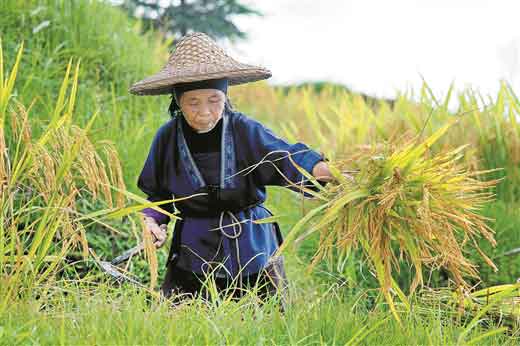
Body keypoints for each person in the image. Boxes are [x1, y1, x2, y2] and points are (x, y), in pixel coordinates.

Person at [129, 32, 334, 308]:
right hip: (195, 250)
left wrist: (325, 170)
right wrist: (152, 221)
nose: (204, 111)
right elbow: (158, 196)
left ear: (225, 96)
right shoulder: (166, 138)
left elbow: (287, 158)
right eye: (193, 102)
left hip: (251, 247)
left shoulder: (244, 130)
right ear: (178, 101)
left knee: (264, 324)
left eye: (214, 100)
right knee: (184, 324)